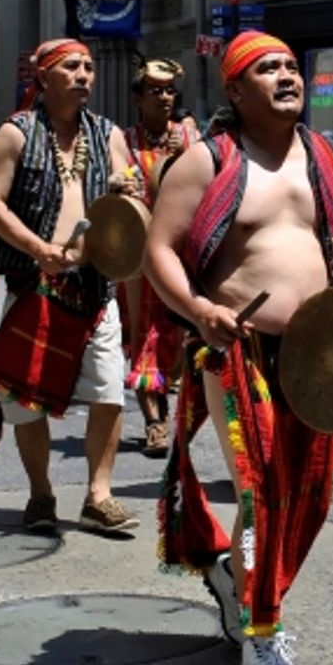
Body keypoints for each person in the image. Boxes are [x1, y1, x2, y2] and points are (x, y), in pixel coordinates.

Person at [147, 30, 333, 665]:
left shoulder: (326, 155)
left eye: (290, 66)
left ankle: (238, 578)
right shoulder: (205, 160)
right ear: (233, 90)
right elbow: (157, 251)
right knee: (261, 491)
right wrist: (198, 310)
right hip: (237, 349)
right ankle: (262, 631)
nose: (286, 76)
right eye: (266, 68)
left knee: (311, 498)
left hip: (320, 355)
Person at [0, 38, 143, 536]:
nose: (85, 75)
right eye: (72, 67)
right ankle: (41, 494)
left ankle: (99, 495)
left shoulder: (108, 134)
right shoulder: (15, 133)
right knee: (27, 399)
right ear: (43, 78)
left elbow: (128, 192)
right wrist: (36, 248)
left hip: (95, 286)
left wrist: (127, 191)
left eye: (89, 66)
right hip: (35, 283)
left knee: (110, 390)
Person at [122, 58, 200, 457]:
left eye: (170, 91)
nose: (165, 97)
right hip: (137, 258)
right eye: (155, 91)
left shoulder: (189, 138)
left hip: (180, 254)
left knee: (180, 337)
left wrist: (186, 156)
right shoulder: (124, 141)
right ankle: (155, 422)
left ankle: (170, 406)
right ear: (138, 98)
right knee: (142, 335)